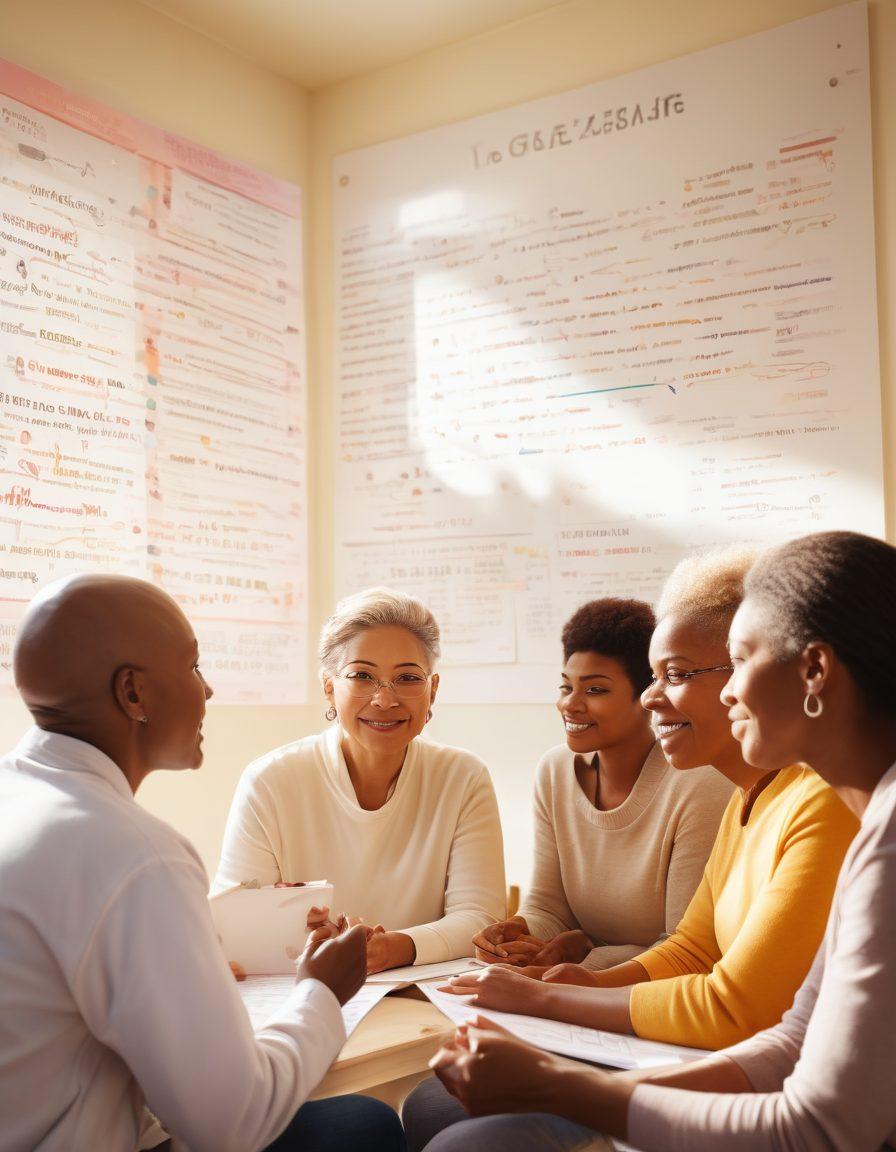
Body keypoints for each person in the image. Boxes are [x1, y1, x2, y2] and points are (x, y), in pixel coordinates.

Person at [412, 529, 896, 1152]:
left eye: (741, 660)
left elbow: (811, 1118)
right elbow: (784, 1029)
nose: (728, 691)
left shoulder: (860, 826)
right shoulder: (842, 814)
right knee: (439, 1113)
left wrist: (559, 1079)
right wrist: (561, 1000)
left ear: (814, 671)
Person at [0, 574, 405, 1152]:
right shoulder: (137, 855)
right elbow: (232, 1126)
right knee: (363, 1128)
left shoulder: (16, 795)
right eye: (193, 667)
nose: (208, 690)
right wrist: (321, 992)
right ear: (134, 694)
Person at [215, 587, 505, 973]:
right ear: (329, 687)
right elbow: (237, 924)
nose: (385, 700)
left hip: (422, 998)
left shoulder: (463, 778)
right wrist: (306, 937)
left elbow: (479, 918)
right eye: (362, 676)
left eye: (407, 678)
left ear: (432, 690)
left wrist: (392, 949)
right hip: (304, 993)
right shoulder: (270, 781)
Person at [472, 598, 731, 972]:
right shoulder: (555, 771)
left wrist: (586, 957)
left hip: (655, 995)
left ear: (647, 696)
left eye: (595, 690)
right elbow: (549, 908)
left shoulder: (697, 784)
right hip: (578, 987)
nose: (570, 705)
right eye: (566, 686)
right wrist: (517, 933)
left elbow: (686, 949)